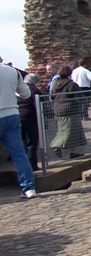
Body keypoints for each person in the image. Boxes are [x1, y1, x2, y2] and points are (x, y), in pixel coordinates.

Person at [0, 58, 37, 198]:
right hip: (12, 115)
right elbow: (26, 94)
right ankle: (29, 188)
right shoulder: (13, 72)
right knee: (19, 155)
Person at [50, 65, 87, 159]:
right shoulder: (72, 84)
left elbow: (52, 97)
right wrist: (85, 101)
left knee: (63, 131)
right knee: (73, 132)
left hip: (59, 110)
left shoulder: (55, 84)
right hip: (71, 111)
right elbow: (80, 98)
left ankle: (71, 152)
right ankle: (61, 147)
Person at [18, 73, 42, 171]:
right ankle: (32, 166)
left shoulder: (18, 90)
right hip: (30, 117)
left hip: (17, 115)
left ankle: (24, 166)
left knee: (22, 141)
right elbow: (40, 105)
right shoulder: (35, 90)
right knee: (32, 141)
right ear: (35, 82)